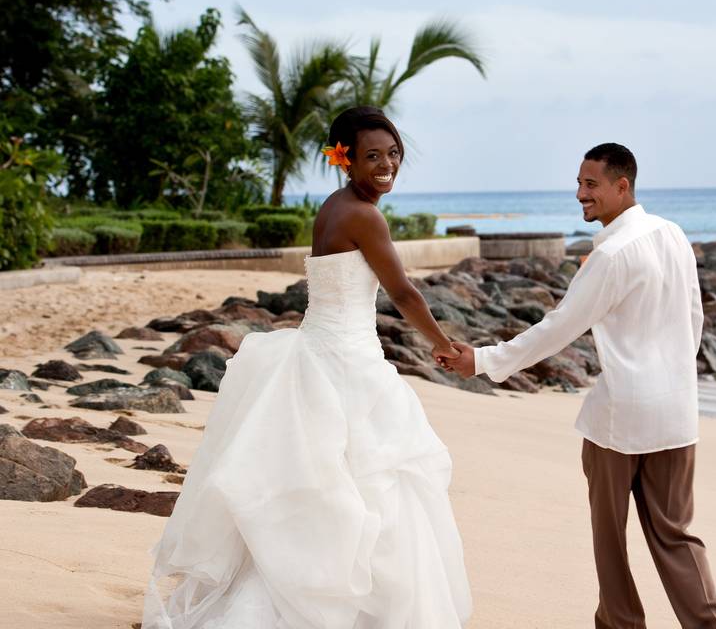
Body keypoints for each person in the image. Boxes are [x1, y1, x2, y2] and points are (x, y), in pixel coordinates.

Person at [142, 106, 472, 628]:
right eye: (372, 156)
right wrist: (446, 346)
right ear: (346, 160)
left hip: (323, 351)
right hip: (344, 361)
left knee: (331, 488)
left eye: (393, 154)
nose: (386, 164)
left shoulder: (335, 205)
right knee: (367, 484)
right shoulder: (364, 214)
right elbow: (404, 293)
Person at [440, 143, 716, 629]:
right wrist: (674, 377)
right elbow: (693, 319)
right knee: (677, 537)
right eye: (578, 183)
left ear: (623, 186)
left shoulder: (611, 254)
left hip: (620, 421)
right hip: (677, 414)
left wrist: (484, 361)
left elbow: (557, 328)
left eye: (591, 185)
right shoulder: (673, 234)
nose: (580, 194)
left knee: (609, 540)